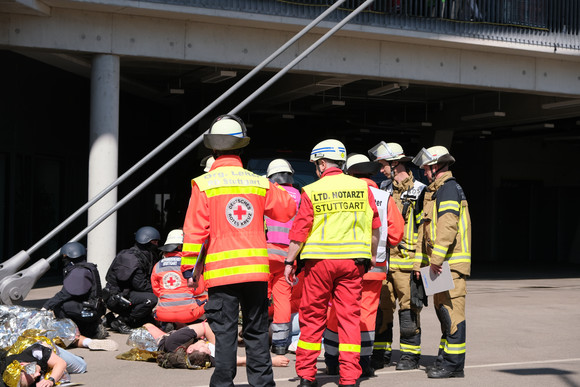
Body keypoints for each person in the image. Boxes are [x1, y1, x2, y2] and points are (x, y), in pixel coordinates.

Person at [180, 114, 296, 387]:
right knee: (256, 333)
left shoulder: (203, 184)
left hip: (222, 276)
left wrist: (189, 269)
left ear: (214, 148)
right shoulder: (259, 182)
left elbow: (195, 231)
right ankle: (263, 384)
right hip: (256, 273)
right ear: (241, 147)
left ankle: (222, 384)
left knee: (226, 334)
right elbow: (288, 209)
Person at [283, 139, 382, 387]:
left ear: (323, 163)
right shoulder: (363, 190)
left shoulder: (313, 190)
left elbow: (299, 232)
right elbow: (375, 230)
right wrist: (369, 256)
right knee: (350, 320)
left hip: (319, 265)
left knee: (312, 318)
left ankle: (306, 376)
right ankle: (349, 379)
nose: (317, 168)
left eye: (317, 164)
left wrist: (289, 261)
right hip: (353, 264)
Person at [323, 153, 404, 377]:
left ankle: (332, 359)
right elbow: (396, 235)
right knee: (366, 314)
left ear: (349, 172)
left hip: (342, 265)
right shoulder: (384, 197)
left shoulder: (341, 192)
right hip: (375, 269)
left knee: (337, 311)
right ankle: (363, 362)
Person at [368, 141, 428, 371]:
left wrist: (420, 260)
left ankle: (409, 356)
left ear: (395, 164)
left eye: (383, 165)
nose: (381, 170)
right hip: (384, 261)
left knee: (409, 309)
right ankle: (380, 353)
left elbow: (425, 228)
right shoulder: (382, 189)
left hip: (408, 262)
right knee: (382, 309)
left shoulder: (421, 191)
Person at [412, 145, 471, 379]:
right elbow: (423, 233)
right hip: (439, 266)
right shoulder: (435, 191)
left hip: (449, 265)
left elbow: (448, 226)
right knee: (443, 313)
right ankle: (445, 358)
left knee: (452, 315)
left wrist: (435, 260)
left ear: (436, 166)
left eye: (426, 168)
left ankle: (454, 365)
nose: (424, 172)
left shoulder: (448, 189)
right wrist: (421, 265)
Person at [264, 158, 301, 355]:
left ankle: (259, 339)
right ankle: (279, 344)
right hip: (288, 255)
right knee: (282, 299)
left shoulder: (266, 192)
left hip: (264, 252)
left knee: (259, 296)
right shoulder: (299, 196)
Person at [143, 322, 291, 368]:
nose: (208, 348)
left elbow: (206, 326)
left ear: (190, 349)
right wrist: (273, 361)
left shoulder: (175, 341)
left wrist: (217, 344)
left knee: (146, 326)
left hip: (162, 340)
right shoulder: (206, 357)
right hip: (178, 340)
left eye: (205, 347)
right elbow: (242, 361)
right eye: (208, 349)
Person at [42, 242, 108, 340]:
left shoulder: (79, 272)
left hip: (89, 310)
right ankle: (90, 328)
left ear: (68, 256)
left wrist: (46, 306)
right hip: (94, 308)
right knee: (66, 304)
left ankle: (80, 331)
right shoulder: (86, 267)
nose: (63, 259)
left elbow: (65, 294)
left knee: (60, 306)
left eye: (64, 256)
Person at [103, 226, 160, 334]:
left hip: (128, 294)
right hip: (117, 297)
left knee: (148, 321)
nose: (156, 245)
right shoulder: (131, 258)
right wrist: (160, 290)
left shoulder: (146, 255)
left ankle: (109, 320)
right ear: (145, 241)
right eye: (154, 242)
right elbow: (140, 284)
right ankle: (121, 321)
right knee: (151, 299)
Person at [151, 229, 207, 327]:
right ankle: (195, 326)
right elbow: (199, 289)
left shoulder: (157, 266)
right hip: (188, 314)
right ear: (181, 246)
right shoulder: (190, 265)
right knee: (208, 298)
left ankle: (169, 323)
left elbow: (156, 291)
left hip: (162, 313)